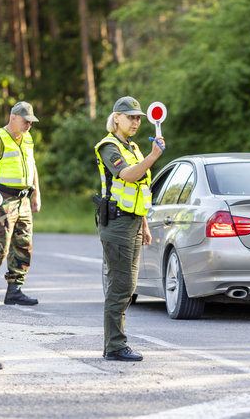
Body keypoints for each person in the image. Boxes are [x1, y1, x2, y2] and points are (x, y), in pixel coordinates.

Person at [94, 96, 165, 361]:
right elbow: (127, 175)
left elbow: (138, 189)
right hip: (117, 224)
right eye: (130, 117)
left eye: (138, 118)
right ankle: (114, 346)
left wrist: (144, 223)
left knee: (128, 284)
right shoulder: (109, 146)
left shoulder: (132, 147)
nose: (135, 121)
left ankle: (116, 343)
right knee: (120, 285)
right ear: (116, 118)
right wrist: (153, 156)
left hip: (133, 222)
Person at [0, 101, 42, 307]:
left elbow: (33, 167)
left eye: (31, 122)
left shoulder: (27, 139)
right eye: (25, 121)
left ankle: (15, 290)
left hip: (23, 200)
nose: (28, 125)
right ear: (13, 118)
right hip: (3, 200)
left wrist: (36, 194)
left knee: (24, 245)